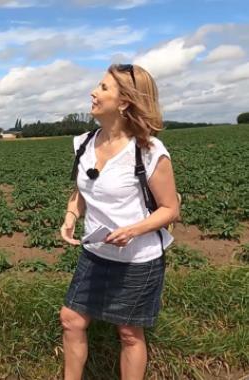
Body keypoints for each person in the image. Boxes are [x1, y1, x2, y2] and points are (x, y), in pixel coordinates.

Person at [59, 64, 180, 380]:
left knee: (128, 333)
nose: (93, 92)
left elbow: (170, 209)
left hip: (138, 259)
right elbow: (83, 189)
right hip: (95, 254)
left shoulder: (149, 151)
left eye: (103, 88)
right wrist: (72, 214)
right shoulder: (83, 143)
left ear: (124, 102)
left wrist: (133, 230)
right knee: (71, 319)